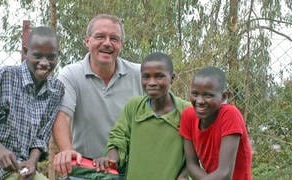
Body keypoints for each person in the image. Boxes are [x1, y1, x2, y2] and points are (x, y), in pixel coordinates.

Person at [52, 14, 143, 177]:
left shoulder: (141, 75)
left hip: (128, 169)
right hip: (85, 168)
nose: (107, 43)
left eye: (114, 39)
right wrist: (67, 150)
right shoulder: (71, 74)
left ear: (121, 45)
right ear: (87, 41)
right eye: (100, 36)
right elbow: (63, 116)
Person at [0, 26, 64, 179]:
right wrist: (0, 150)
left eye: (51, 57)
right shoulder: (3, 77)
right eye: (37, 56)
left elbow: (41, 137)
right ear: (25, 52)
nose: (44, 62)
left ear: (58, 55)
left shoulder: (56, 90)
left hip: (25, 167)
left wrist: (32, 162)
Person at [94, 52, 191, 180]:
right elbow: (118, 139)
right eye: (146, 77)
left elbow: (197, 153)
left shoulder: (187, 111)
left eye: (159, 76)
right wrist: (111, 158)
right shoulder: (134, 107)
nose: (151, 82)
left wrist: (184, 175)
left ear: (172, 78)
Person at [179, 66, 252, 180]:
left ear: (223, 97)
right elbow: (191, 165)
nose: (199, 101)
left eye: (208, 95)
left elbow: (225, 173)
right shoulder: (188, 116)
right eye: (195, 94)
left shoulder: (230, 114)